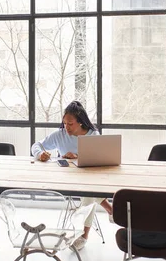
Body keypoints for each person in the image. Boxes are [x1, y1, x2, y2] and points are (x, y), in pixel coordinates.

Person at [31, 101, 113, 250]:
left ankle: (84, 235)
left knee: (89, 190)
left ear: (80, 122)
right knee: (90, 190)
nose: (66, 127)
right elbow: (36, 145)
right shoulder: (60, 135)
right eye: (64, 123)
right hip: (66, 180)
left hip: (88, 179)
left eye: (70, 124)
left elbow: (98, 159)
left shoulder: (93, 135)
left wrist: (76, 156)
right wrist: (40, 154)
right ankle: (110, 210)